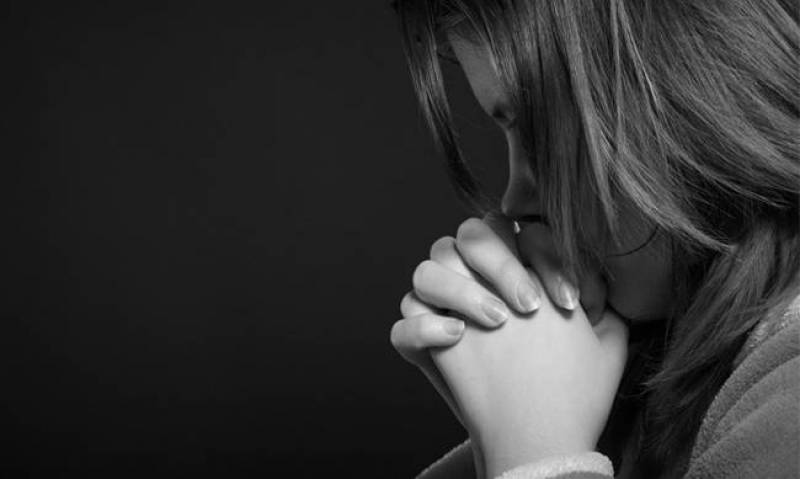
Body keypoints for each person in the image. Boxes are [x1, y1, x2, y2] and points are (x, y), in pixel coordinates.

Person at [388, 1, 800, 478]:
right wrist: (509, 419)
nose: (513, 200)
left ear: (689, 92)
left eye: (539, 136)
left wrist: (536, 447)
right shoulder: (678, 367)